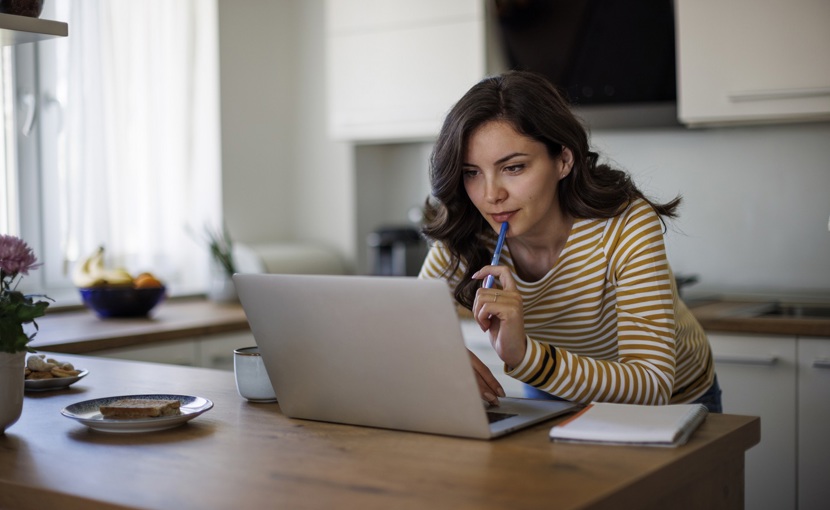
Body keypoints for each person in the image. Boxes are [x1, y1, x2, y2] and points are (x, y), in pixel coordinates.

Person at [418, 71, 721, 413]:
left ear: (563, 160)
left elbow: (653, 383)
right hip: (554, 390)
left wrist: (525, 356)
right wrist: (443, 357)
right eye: (472, 172)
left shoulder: (625, 223)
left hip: (672, 402)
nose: (491, 196)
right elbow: (410, 326)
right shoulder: (468, 229)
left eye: (514, 168)